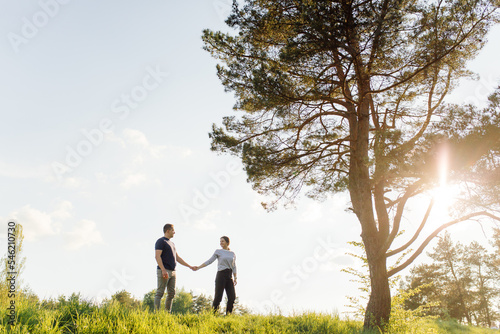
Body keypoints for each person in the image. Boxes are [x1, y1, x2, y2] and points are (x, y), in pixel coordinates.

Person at [154, 223, 194, 312]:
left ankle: (167, 313)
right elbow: (157, 256)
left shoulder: (172, 243)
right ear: (168, 231)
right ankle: (156, 313)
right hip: (164, 270)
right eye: (173, 230)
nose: (174, 232)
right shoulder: (161, 241)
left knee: (171, 294)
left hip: (173, 271)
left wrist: (189, 266)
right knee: (160, 292)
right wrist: (163, 270)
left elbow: (178, 258)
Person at [194, 236, 237, 315]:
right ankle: (213, 315)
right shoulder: (218, 251)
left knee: (232, 297)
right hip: (221, 275)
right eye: (220, 241)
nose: (221, 243)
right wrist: (199, 267)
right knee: (218, 297)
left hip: (229, 275)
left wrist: (235, 277)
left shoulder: (232, 254)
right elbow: (210, 261)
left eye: (222, 241)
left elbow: (234, 266)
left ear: (227, 243)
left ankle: (228, 315)